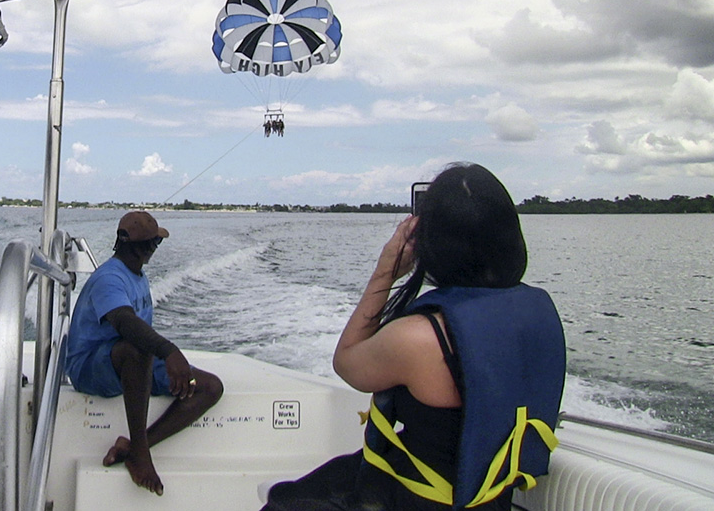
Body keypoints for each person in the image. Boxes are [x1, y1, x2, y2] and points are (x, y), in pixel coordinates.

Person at [263, 163, 566, 511]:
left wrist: (386, 271)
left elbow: (347, 362)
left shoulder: (420, 338)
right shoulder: (535, 313)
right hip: (490, 500)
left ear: (431, 242)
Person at [65, 211, 223, 496]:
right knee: (137, 349)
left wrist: (169, 361)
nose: (154, 249)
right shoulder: (109, 278)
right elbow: (125, 322)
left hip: (127, 359)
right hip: (89, 368)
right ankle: (141, 455)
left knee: (209, 387)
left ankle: (136, 446)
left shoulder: (136, 274)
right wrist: (170, 351)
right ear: (147, 247)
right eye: (155, 243)